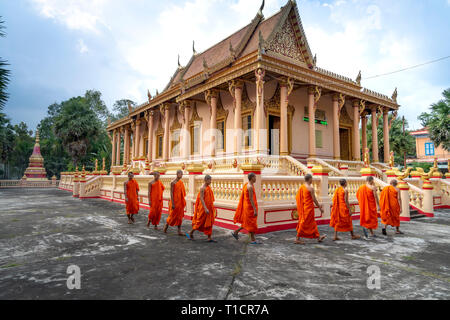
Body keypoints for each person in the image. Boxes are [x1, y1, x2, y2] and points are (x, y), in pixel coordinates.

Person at [295, 174, 326, 244]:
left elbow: (298, 197)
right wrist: (320, 208)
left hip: (305, 207)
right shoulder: (310, 188)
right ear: (309, 179)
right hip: (308, 208)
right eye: (311, 179)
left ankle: (318, 237)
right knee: (303, 222)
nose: (312, 180)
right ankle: (297, 238)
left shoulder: (302, 187)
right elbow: (314, 199)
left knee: (312, 223)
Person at [231, 172, 260, 244]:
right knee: (251, 223)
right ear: (251, 178)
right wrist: (255, 209)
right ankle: (253, 240)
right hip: (249, 207)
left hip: (247, 206)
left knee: (248, 223)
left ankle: (236, 232)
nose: (255, 178)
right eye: (255, 177)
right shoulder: (249, 186)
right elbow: (251, 199)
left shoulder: (247, 185)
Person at [187, 175, 216, 242]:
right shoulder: (202, 188)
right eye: (209, 180)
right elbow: (201, 199)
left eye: (211, 180)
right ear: (206, 180)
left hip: (209, 207)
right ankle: (191, 232)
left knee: (210, 222)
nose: (210, 182)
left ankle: (209, 237)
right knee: (199, 222)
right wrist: (205, 208)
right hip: (203, 208)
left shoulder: (209, 187)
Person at [163, 170, 186, 236]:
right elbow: (171, 194)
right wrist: (173, 203)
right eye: (181, 174)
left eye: (182, 174)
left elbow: (182, 193)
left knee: (180, 216)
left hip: (180, 202)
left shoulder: (181, 182)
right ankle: (166, 226)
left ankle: (179, 231)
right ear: (177, 174)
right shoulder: (173, 182)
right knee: (172, 215)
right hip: (174, 202)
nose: (182, 175)